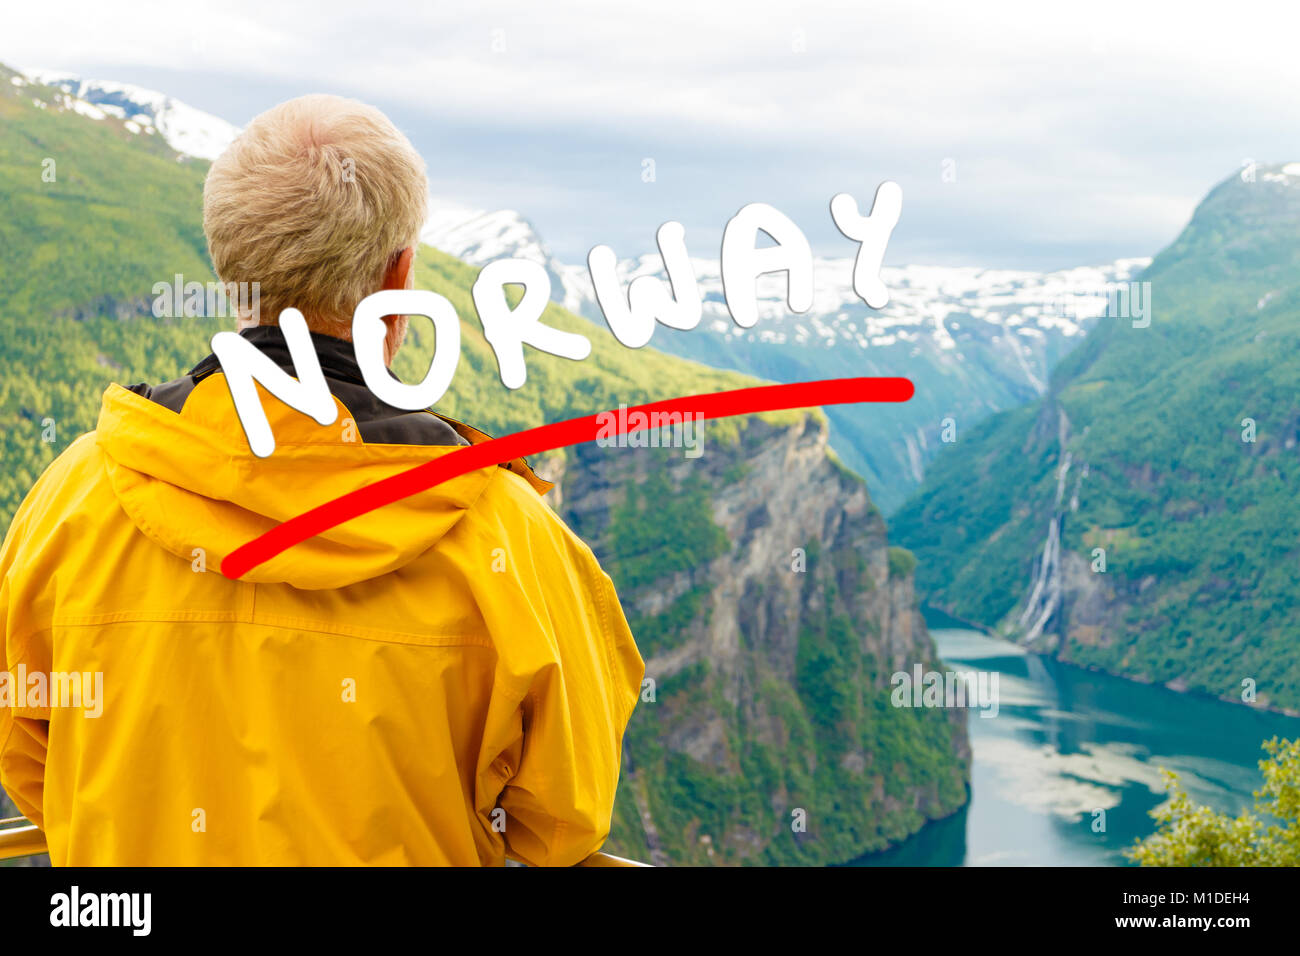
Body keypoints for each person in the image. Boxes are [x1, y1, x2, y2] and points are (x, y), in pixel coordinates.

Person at [0, 94, 644, 865]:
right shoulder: (503, 536)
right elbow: (562, 822)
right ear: (398, 277)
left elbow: (32, 763)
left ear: (228, 265)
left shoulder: (73, 499)